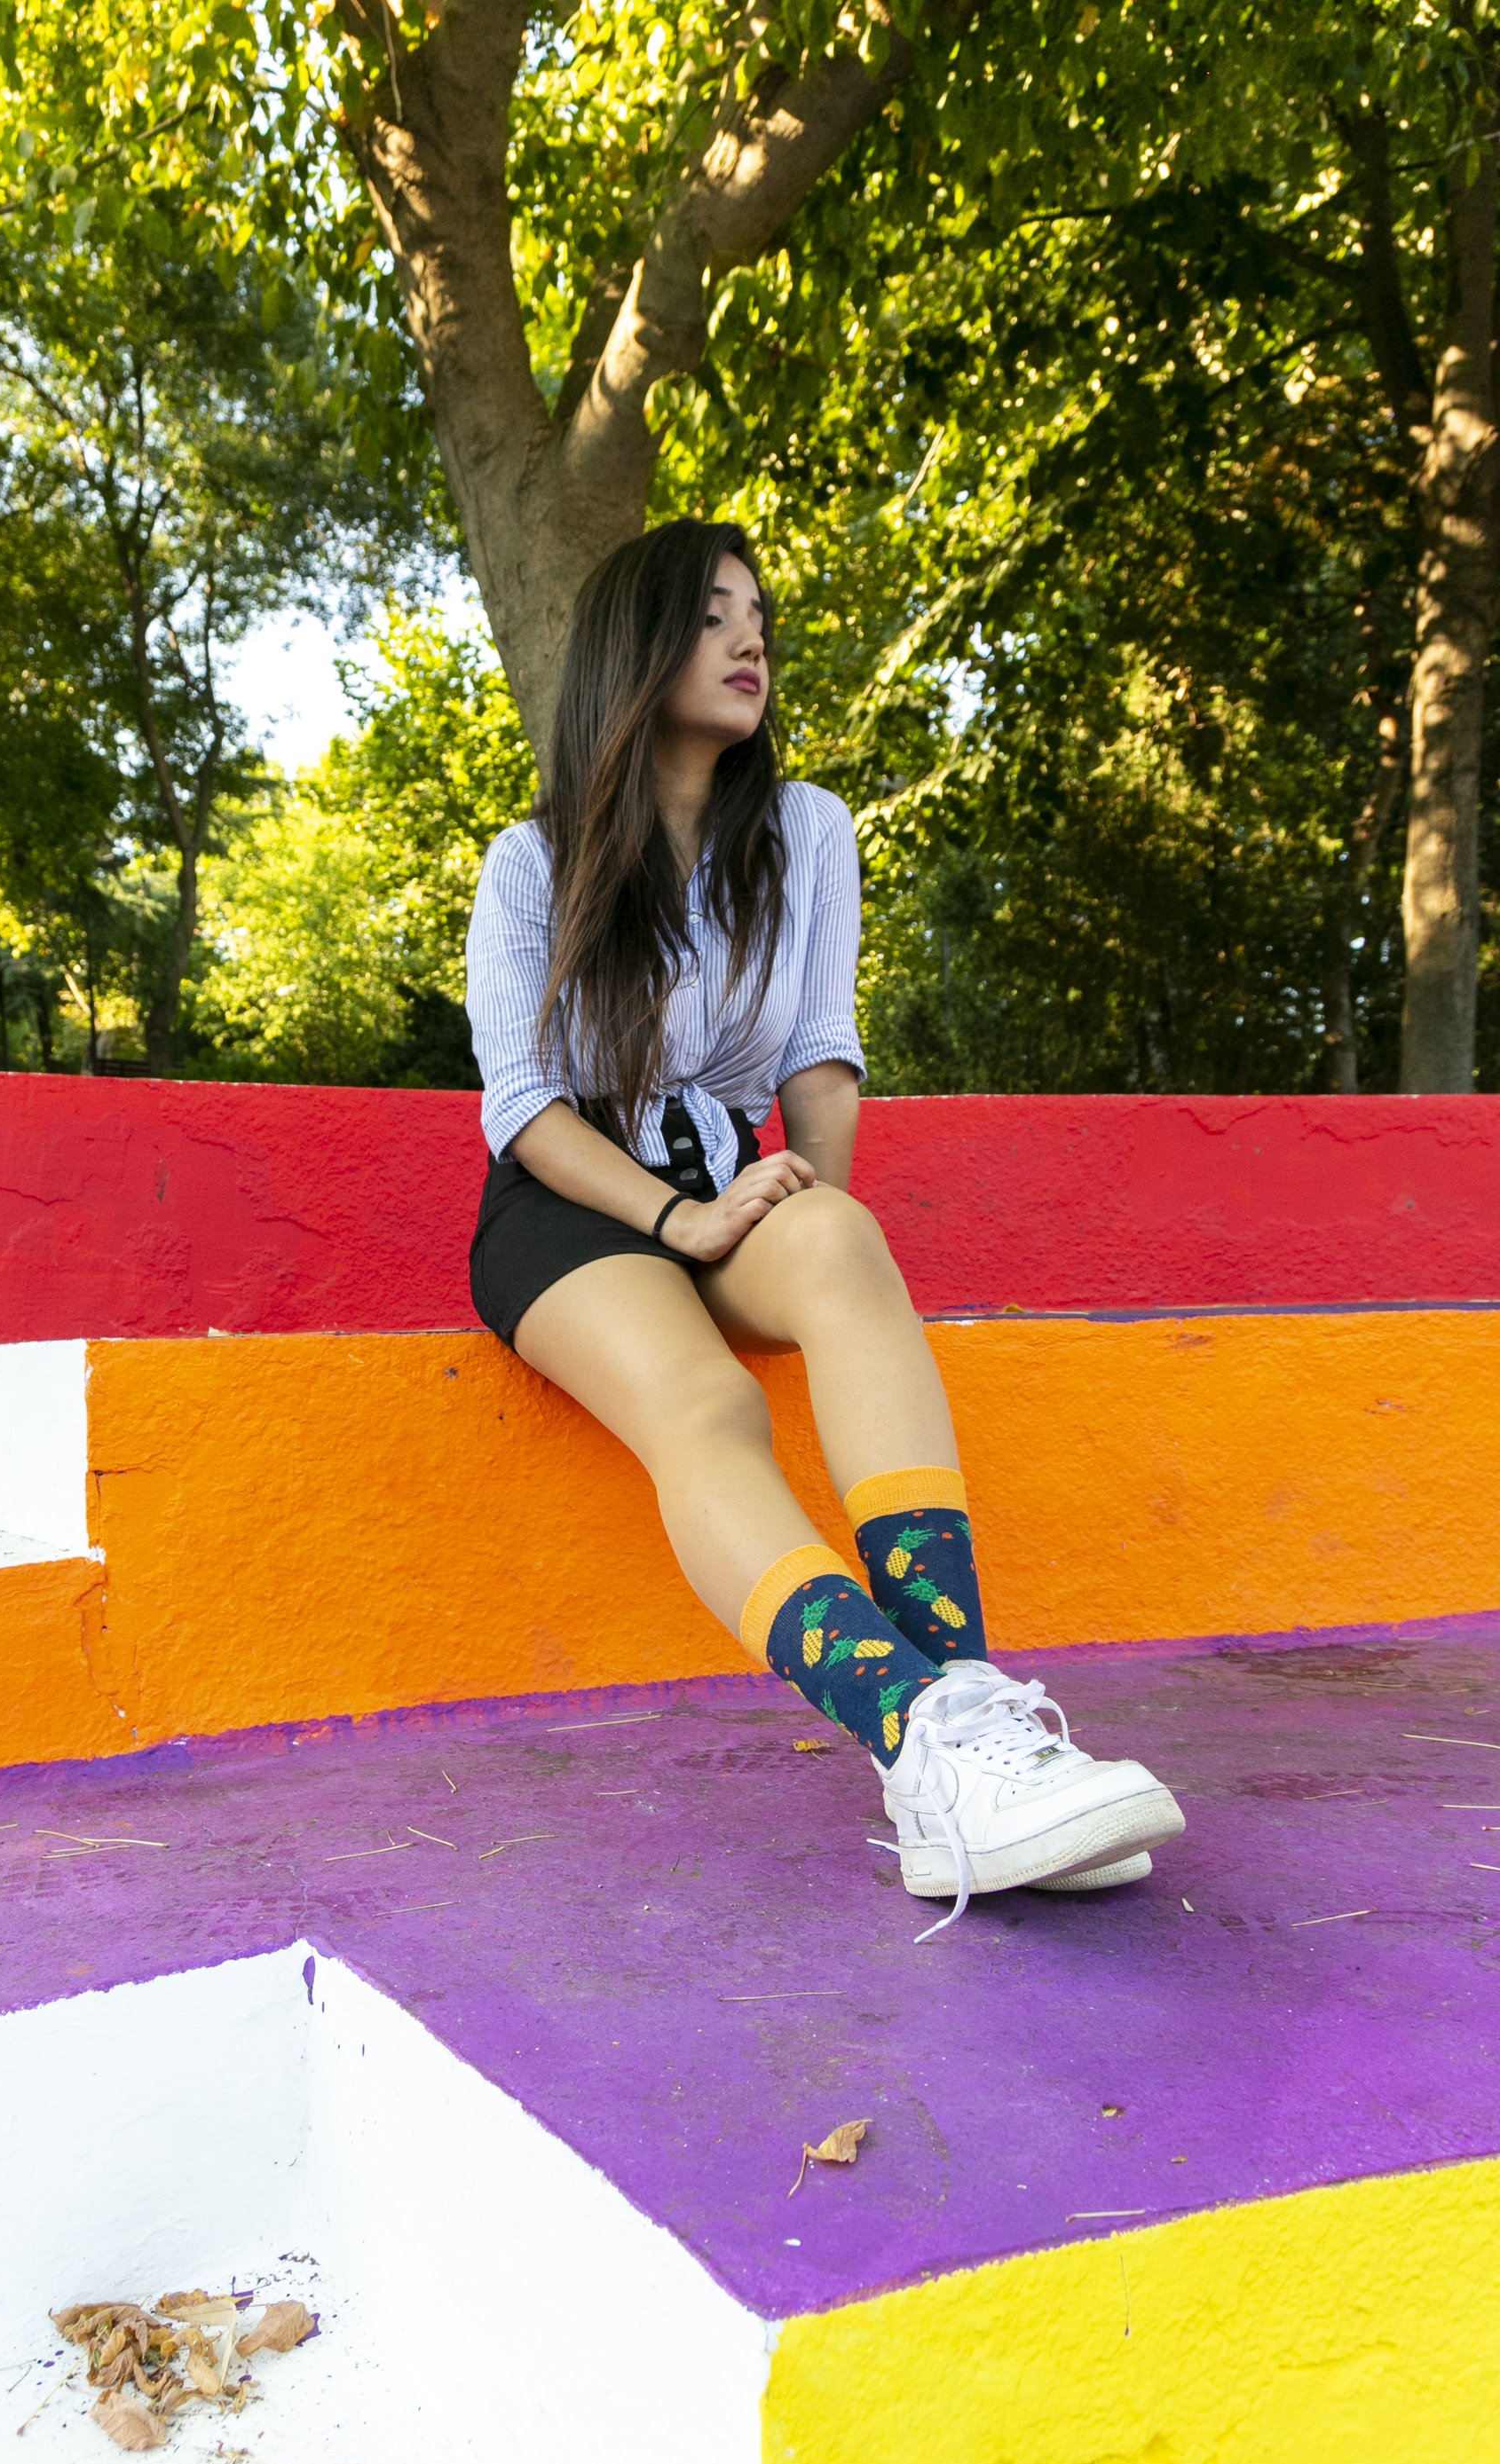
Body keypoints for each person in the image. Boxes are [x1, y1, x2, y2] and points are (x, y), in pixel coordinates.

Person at [464, 518, 1182, 1934]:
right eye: (714, 615)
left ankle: (973, 1719)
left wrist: (799, 1216)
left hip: (733, 1182)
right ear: (636, 645)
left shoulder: (807, 831)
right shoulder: (532, 863)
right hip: (572, 1206)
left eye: (762, 622)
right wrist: (681, 1216)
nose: (751, 644)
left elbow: (820, 1053)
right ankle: (911, 1734)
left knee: (845, 1242)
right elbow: (524, 1105)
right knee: (704, 1405)